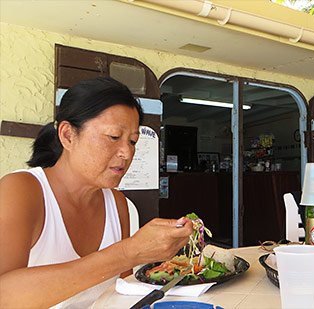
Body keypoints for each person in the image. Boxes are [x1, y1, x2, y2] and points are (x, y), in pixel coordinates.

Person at [0, 77, 194, 308]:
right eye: (113, 137)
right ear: (68, 135)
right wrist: (128, 252)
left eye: (132, 141)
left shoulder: (117, 203)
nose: (126, 153)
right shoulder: (22, 190)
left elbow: (121, 293)